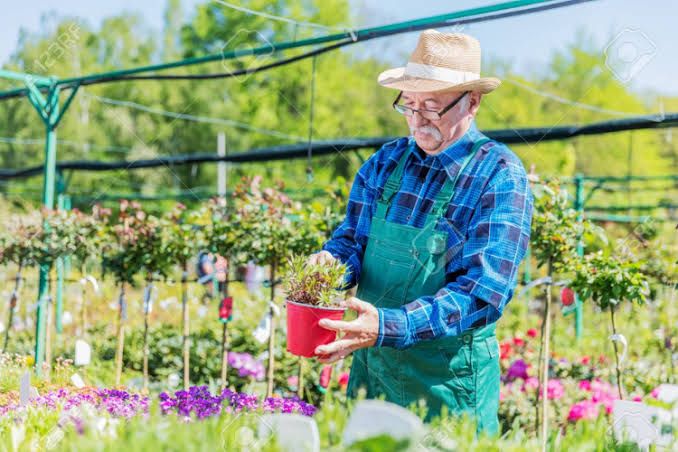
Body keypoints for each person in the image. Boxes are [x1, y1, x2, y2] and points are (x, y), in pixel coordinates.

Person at [307, 30, 534, 434]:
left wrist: (390, 326)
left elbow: (484, 292)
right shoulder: (385, 163)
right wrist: (328, 266)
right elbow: (352, 241)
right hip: (372, 373)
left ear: (473, 102)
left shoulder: (497, 175)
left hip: (447, 385)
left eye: (431, 106)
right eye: (409, 105)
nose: (417, 119)